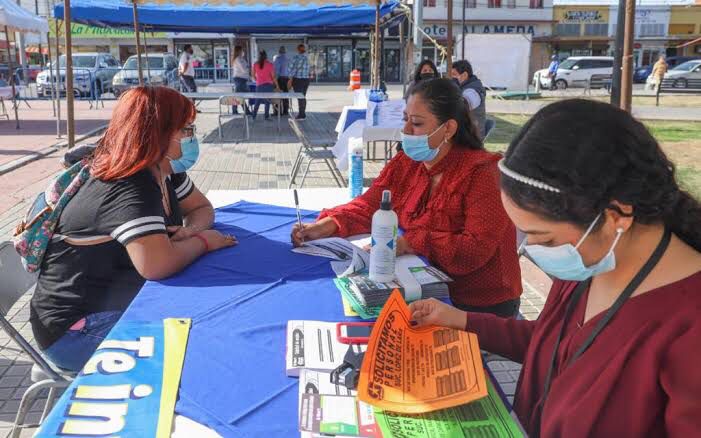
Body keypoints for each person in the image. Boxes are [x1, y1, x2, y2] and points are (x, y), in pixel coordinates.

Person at [408, 99, 701, 437]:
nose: (530, 250)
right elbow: (554, 345)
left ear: (615, 216)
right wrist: (458, 319)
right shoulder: (589, 263)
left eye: (544, 239)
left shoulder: (687, 325)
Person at [30, 87, 238, 371]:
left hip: (121, 301)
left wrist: (188, 232)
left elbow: (202, 209)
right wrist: (203, 241)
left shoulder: (163, 170)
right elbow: (157, 264)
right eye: (184, 128)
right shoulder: (129, 183)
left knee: (219, 318)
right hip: (75, 330)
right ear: (160, 131)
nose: (190, 135)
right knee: (206, 348)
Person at [292, 79, 522, 317]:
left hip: (479, 304)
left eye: (417, 123)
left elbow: (474, 249)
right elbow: (370, 204)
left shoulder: (483, 173)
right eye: (405, 120)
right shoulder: (407, 163)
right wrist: (328, 225)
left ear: (449, 129)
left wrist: (411, 242)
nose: (406, 131)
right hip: (421, 286)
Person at [451, 60, 487, 139]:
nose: (452, 78)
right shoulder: (464, 87)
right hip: (466, 131)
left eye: (454, 75)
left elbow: (462, 105)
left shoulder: (474, 90)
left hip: (472, 136)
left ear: (464, 75)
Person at [251, 50, 277, 121]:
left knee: (257, 101)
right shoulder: (270, 64)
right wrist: (277, 85)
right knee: (267, 102)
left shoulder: (255, 64)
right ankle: (266, 116)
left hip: (259, 86)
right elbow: (273, 76)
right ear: (266, 56)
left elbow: (253, 75)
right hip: (269, 85)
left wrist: (258, 80)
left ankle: (253, 116)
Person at [287, 44, 310, 120]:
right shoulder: (307, 58)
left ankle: (301, 114)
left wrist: (290, 78)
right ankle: (302, 113)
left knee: (300, 97)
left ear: (298, 49)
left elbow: (290, 68)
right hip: (306, 79)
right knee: (303, 96)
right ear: (304, 50)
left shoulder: (295, 58)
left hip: (298, 80)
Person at [232, 45, 250, 115]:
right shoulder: (237, 59)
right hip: (239, 79)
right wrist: (247, 69)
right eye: (242, 50)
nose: (243, 51)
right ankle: (236, 111)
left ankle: (245, 110)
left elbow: (246, 68)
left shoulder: (242, 59)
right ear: (239, 51)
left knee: (239, 96)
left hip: (243, 80)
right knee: (238, 96)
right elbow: (244, 69)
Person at [273, 46, 290, 116]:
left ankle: (278, 111)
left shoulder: (278, 59)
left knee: (278, 95)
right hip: (287, 79)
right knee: (286, 95)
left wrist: (275, 80)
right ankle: (286, 111)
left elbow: (276, 71)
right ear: (285, 52)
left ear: (279, 51)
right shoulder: (288, 59)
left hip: (280, 79)